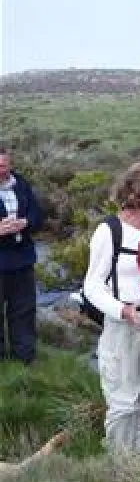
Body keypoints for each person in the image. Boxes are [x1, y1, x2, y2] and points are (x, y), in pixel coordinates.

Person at [83, 160, 140, 454]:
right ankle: (118, 463)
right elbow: (92, 286)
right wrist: (124, 311)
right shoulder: (110, 232)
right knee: (123, 398)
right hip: (123, 324)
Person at [0, 142, 47, 364]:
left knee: (24, 312)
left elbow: (38, 215)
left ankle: (25, 360)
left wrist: (25, 222)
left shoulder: (21, 184)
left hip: (23, 262)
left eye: (5, 165)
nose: (2, 170)